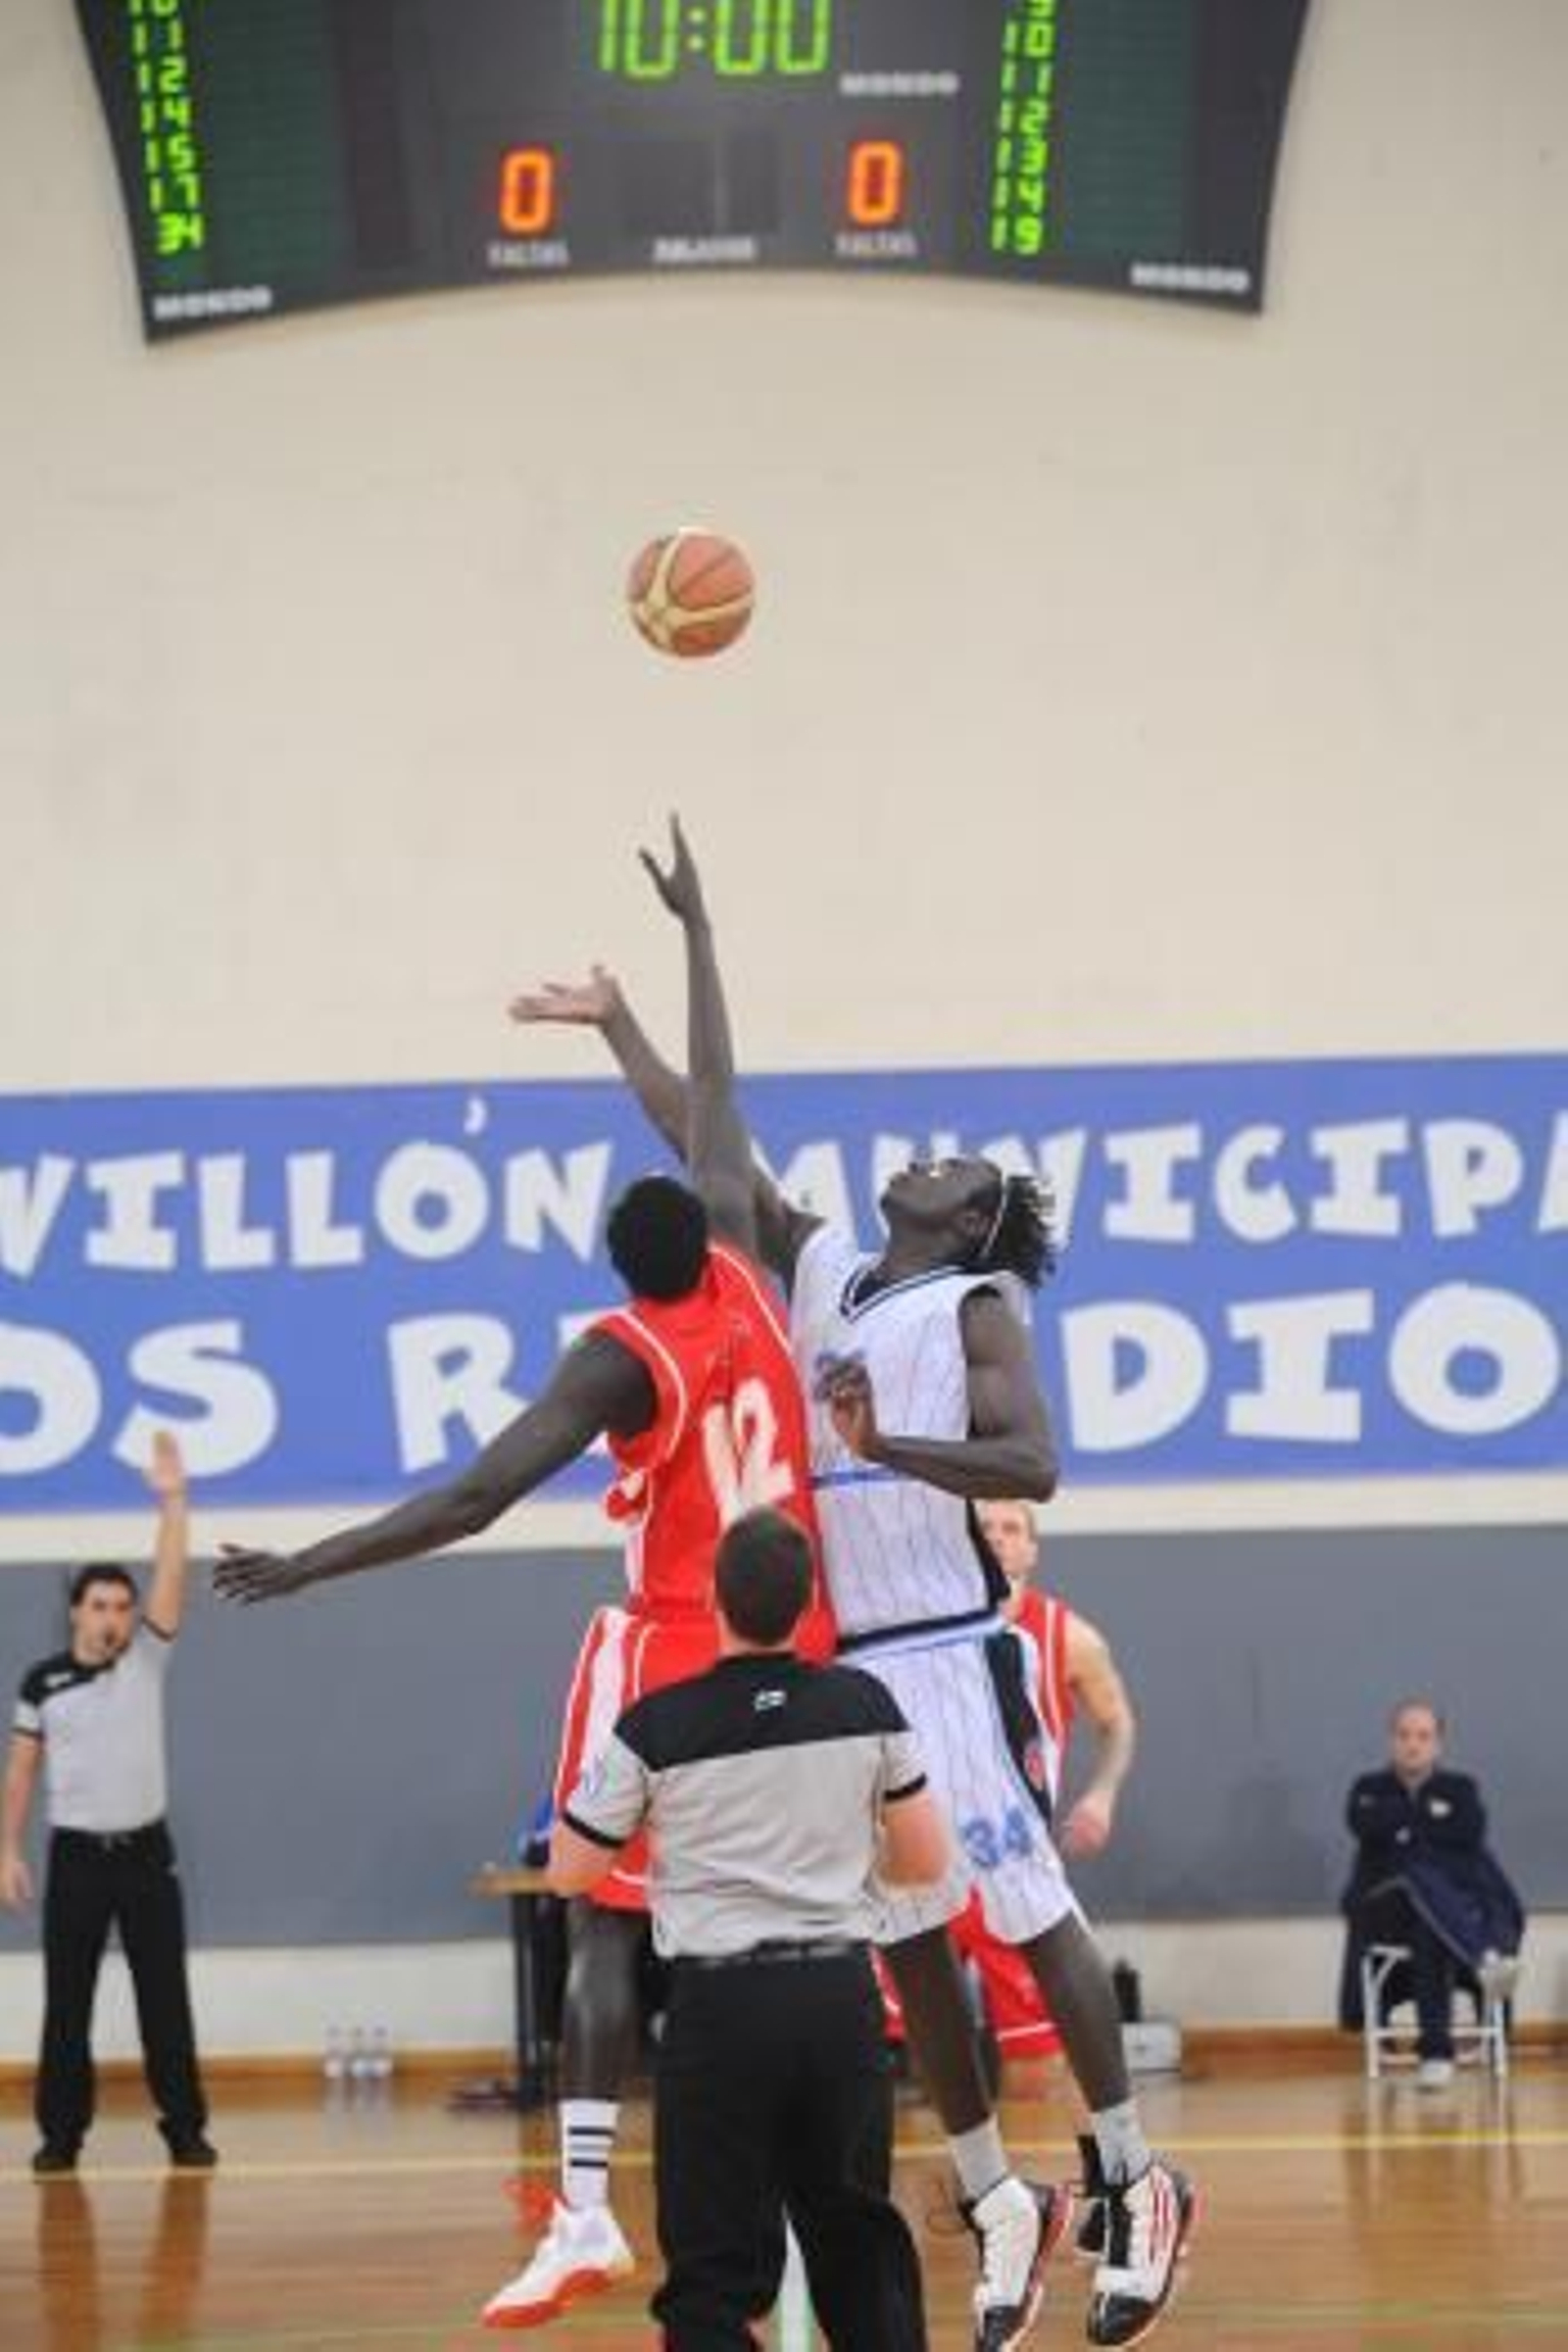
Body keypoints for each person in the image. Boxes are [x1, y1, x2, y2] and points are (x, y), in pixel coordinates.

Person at [514, 820, 1198, 2352]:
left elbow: (1035, 1468)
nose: (928, 1154)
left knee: (1026, 1917)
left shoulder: (976, 1308)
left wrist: (893, 1446)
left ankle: (1135, 2178)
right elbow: (711, 1138)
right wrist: (631, 1008)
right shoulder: (822, 1268)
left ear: (967, 1218)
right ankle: (994, 2198)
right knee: (908, 1942)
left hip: (955, 1647)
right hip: (860, 1659)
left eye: (955, 1168)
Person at [215, 948, 831, 2329]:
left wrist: (314, 1564)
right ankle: (806, 2175)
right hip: (807, 1646)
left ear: (621, 1265)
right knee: (785, 1933)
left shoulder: (621, 1352)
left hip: (680, 1651)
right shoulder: (750, 1269)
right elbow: (715, 1096)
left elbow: (479, 1494)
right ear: (711, 1225)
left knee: (601, 1924)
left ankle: (588, 2212)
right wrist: (680, 952)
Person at [548, 1504, 942, 2349]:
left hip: (720, 2010)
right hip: (839, 1999)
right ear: (807, 1607)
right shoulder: (865, 1704)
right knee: (857, 2246)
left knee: (711, 2274)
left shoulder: (656, 1723)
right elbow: (926, 1860)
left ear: (713, 1600)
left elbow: (570, 1873)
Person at [1, 1432, 216, 2175]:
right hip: (77, 1860)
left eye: (123, 1606)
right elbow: (21, 1773)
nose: (115, 1617)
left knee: (165, 1999)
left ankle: (184, 2128)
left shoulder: (146, 1663)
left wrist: (174, 1502)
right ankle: (61, 2136)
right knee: (68, 2005)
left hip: (147, 1856)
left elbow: (170, 1576)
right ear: (76, 1612)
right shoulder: (43, 1683)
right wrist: (6, 1848)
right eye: (101, 1605)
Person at [1338, 1699, 1525, 2090]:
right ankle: (1484, 1957)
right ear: (1392, 1741)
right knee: (1414, 1873)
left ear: (1438, 1744)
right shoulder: (1367, 1788)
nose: (1413, 1744)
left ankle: (1436, 2054)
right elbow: (1366, 1825)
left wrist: (1406, 1831)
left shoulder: (1461, 1788)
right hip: (1384, 1909)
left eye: (1423, 1736)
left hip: (1438, 1919)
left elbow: (1469, 1833)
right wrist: (1428, 1823)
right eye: (1404, 1735)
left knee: (1429, 1923)